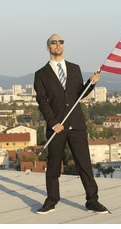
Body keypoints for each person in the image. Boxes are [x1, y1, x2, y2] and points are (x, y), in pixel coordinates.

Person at [33, 34, 109, 215]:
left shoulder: (75, 68)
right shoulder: (41, 74)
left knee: (84, 165)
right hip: (56, 127)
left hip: (76, 124)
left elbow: (79, 96)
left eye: (61, 42)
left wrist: (91, 84)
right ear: (47, 48)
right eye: (54, 42)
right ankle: (51, 200)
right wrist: (53, 122)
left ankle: (92, 201)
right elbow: (42, 101)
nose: (58, 44)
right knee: (53, 167)